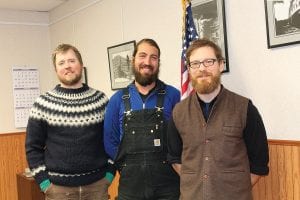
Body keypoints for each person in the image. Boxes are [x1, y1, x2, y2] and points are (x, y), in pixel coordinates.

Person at [167, 38, 269, 200]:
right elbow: (174, 158)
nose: (202, 68)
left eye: (209, 62)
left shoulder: (245, 109)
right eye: (195, 63)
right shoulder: (178, 112)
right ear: (189, 69)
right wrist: (195, 183)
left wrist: (234, 190)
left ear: (221, 65)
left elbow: (259, 164)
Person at [25, 44, 115, 200]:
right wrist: (44, 184)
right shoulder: (42, 104)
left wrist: (109, 174)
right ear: (56, 70)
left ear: (81, 64)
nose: (67, 66)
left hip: (97, 187)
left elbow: (113, 139)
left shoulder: (101, 101)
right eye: (61, 63)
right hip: (58, 190)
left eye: (71, 60)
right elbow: (33, 148)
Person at [104, 38, 180, 200]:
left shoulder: (173, 95)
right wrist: (126, 167)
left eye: (153, 57)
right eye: (142, 56)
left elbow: (181, 137)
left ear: (158, 63)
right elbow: (110, 140)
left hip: (168, 184)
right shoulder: (117, 99)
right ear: (133, 60)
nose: (147, 62)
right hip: (130, 185)